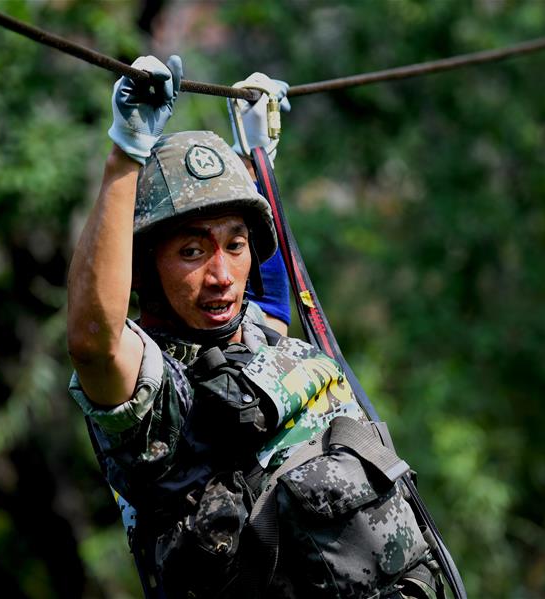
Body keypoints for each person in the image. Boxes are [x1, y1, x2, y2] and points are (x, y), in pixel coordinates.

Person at [67, 55, 442, 599]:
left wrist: (254, 157)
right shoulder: (158, 394)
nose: (221, 276)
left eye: (235, 246)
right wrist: (124, 155)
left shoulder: (255, 330)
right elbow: (93, 343)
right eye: (192, 251)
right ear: (147, 266)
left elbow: (266, 293)